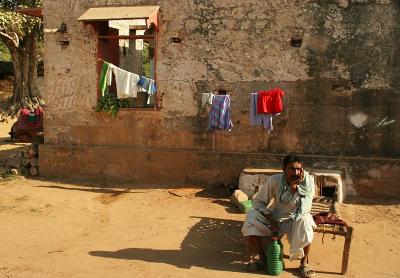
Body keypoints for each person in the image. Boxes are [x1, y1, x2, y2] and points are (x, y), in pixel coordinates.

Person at [241, 154, 316, 277]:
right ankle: (263, 259)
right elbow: (258, 201)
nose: (296, 172)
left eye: (298, 169)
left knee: (306, 220)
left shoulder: (307, 181)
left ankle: (304, 264)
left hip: (295, 219)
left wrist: (294, 187)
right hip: (275, 218)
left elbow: (306, 207)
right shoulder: (275, 180)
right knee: (251, 217)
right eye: (292, 169)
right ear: (283, 169)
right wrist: (272, 220)